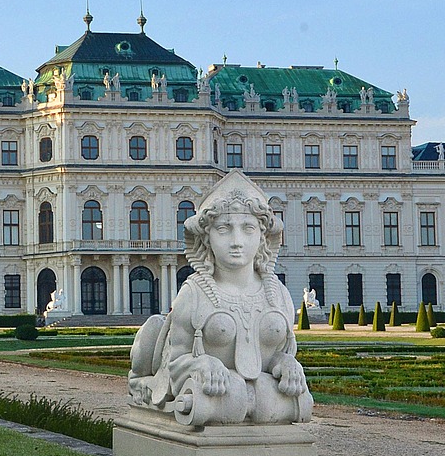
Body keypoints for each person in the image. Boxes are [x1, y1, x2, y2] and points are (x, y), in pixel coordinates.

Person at [129, 171, 311, 426]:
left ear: (262, 237)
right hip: (196, 379)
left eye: (248, 229)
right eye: (224, 229)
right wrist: (200, 363)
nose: (237, 242)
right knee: (153, 328)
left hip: (237, 391)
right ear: (207, 238)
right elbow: (175, 361)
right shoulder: (193, 293)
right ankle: (138, 381)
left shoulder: (277, 293)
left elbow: (276, 354)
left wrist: (287, 363)